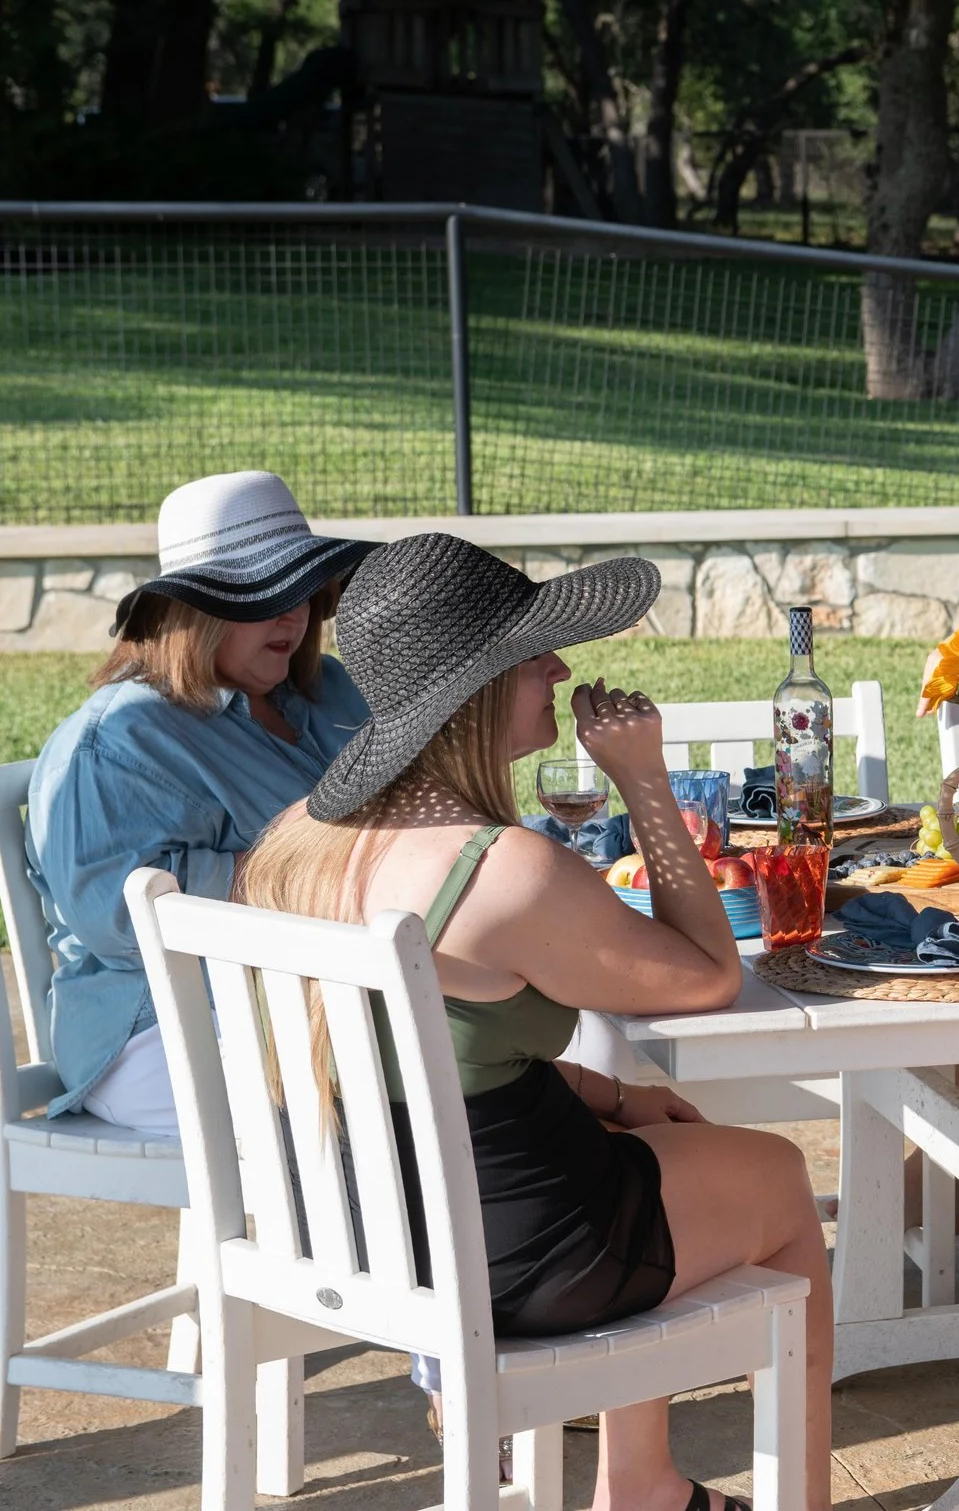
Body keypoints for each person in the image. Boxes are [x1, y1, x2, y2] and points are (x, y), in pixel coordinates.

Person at [238, 533, 831, 1511]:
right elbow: (707, 974)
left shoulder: (300, 841)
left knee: (652, 1137)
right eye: (532, 654)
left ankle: (641, 1478)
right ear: (474, 689)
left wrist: (609, 1091)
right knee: (773, 1174)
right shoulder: (503, 870)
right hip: (516, 1250)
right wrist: (642, 778)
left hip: (368, 1231)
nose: (557, 667)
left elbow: (430, 1063)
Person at [27, 470, 375, 1133]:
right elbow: (116, 919)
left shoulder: (327, 691)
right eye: (260, 593)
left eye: (301, 585)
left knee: (520, 1053)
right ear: (193, 611)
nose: (292, 612)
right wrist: (325, 867)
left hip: (325, 996)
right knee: (405, 1106)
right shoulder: (120, 738)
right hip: (159, 1027)